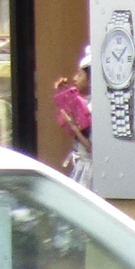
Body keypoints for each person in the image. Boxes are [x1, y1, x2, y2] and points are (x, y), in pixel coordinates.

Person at [54, 50, 93, 186]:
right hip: (81, 167)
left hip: (89, 172)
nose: (75, 78)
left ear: (90, 80)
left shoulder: (96, 108)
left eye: (79, 74)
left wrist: (73, 126)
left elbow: (92, 147)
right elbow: (77, 104)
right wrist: (63, 91)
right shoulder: (87, 101)